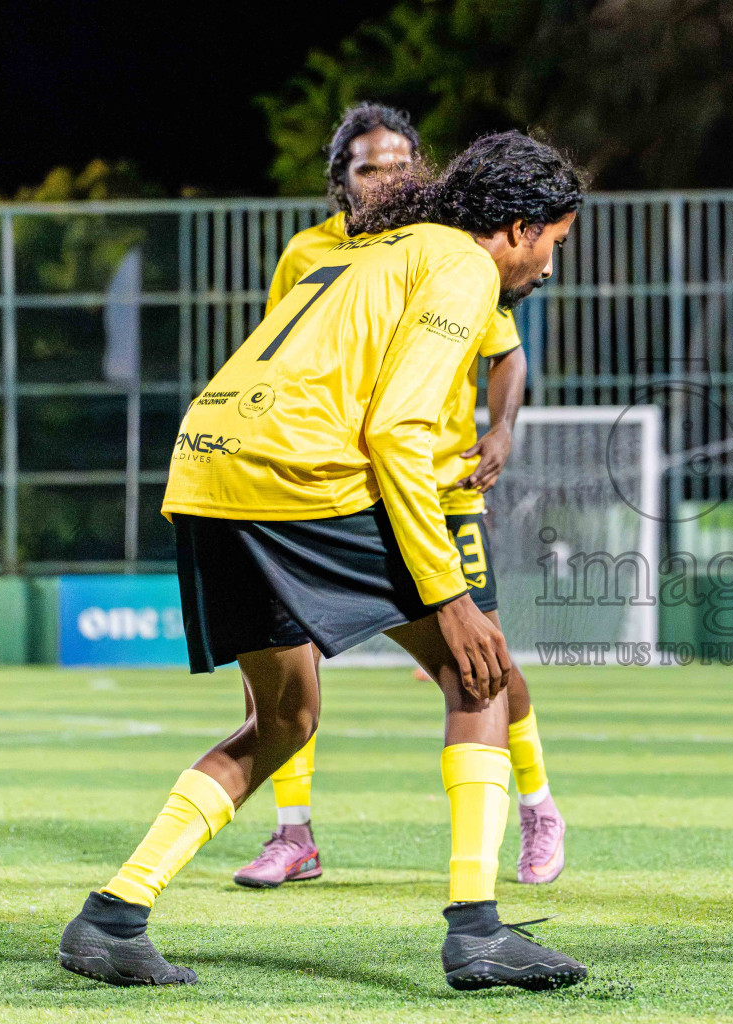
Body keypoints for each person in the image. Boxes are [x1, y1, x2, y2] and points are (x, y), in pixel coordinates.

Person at [57, 131, 587, 991]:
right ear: (520, 227)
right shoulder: (462, 266)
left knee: (286, 720)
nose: (552, 266)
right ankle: (479, 930)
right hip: (297, 472)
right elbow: (398, 432)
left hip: (208, 465)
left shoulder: (369, 250)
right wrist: (448, 595)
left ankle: (114, 915)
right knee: (476, 672)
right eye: (556, 243)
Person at [235, 102, 566, 892]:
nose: (385, 177)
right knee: (286, 663)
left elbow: (505, 352)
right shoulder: (307, 255)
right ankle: (293, 832)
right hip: (337, 487)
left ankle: (537, 803)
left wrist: (500, 431)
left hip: (434, 483)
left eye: (399, 164)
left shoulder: (452, 253)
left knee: (480, 655)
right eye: (367, 166)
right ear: (339, 182)